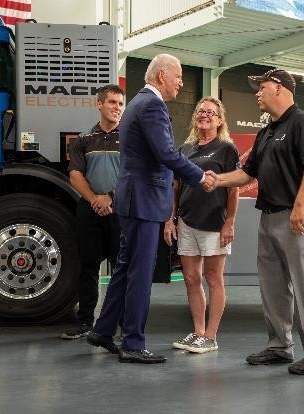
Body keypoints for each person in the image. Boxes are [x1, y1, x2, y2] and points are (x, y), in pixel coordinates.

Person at [86, 54, 214, 364]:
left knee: (125, 268)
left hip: (133, 199)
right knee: (140, 274)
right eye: (179, 76)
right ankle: (132, 342)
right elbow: (167, 153)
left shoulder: (137, 104)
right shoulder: (152, 105)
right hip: (144, 202)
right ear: (160, 76)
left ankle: (103, 331)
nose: (182, 82)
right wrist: (199, 176)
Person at [204, 68, 304, 375]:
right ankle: (279, 347)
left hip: (296, 216)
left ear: (279, 88)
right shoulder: (267, 132)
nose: (257, 93)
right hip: (269, 217)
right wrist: (217, 179)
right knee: (272, 286)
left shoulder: (303, 123)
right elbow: (247, 173)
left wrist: (300, 205)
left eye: (261, 87)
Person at [164, 97, 240, 354]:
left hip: (214, 224)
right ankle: (197, 332)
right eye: (200, 111)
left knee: (213, 279)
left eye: (210, 112)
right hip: (187, 222)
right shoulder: (185, 150)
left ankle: (211, 335)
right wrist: (170, 219)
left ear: (219, 121)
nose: (204, 115)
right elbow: (176, 187)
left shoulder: (226, 149)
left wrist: (229, 222)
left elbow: (233, 189)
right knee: (190, 278)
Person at [61, 84, 125, 340]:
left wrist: (109, 198)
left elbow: (132, 175)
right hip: (90, 211)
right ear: (99, 104)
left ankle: (123, 324)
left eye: (120, 104)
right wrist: (95, 200)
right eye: (112, 103)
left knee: (123, 268)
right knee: (88, 266)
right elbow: (75, 175)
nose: (116, 108)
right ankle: (85, 320)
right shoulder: (83, 139)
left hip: (121, 210)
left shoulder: (131, 139)